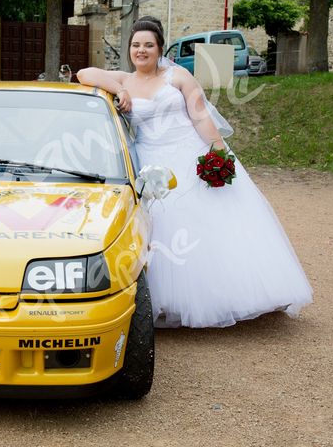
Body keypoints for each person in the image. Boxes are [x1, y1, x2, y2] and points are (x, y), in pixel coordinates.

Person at [77, 16, 312, 328]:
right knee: (162, 229)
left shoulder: (178, 76)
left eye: (148, 44)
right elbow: (84, 73)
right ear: (129, 50)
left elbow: (199, 115)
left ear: (160, 48)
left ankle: (235, 294)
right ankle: (169, 302)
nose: (141, 50)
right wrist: (120, 88)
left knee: (215, 225)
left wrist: (217, 149)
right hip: (153, 164)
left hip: (190, 153)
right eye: (136, 45)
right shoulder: (125, 80)